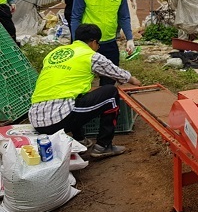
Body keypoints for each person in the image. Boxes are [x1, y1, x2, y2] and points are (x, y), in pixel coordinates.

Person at [29, 23, 141, 158]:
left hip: (36, 119)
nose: (98, 47)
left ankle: (80, 139)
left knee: (75, 96)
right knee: (110, 93)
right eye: (98, 44)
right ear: (93, 42)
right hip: (58, 121)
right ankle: (103, 146)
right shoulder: (90, 55)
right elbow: (116, 72)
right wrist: (134, 80)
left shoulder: (55, 53)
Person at [71, 0, 135, 86]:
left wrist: (130, 38)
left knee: (109, 80)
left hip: (109, 42)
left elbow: (124, 17)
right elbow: (75, 18)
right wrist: (76, 42)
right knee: (82, 78)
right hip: (87, 44)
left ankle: (105, 102)